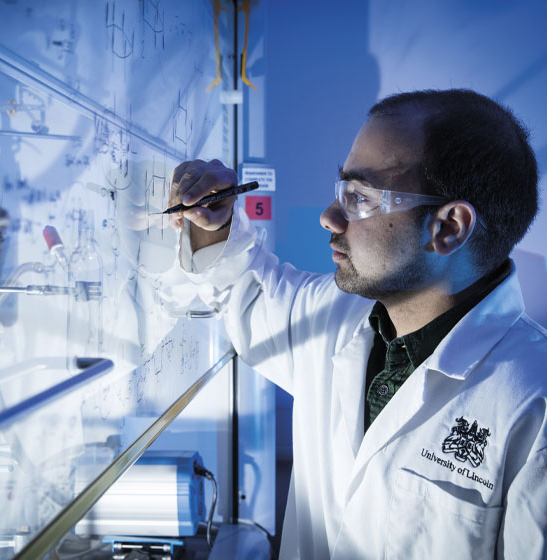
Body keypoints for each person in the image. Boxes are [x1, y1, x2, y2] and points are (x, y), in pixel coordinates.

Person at [168, 89, 547, 559]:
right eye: (340, 189)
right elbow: (242, 288)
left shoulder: (534, 403)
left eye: (360, 197)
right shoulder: (333, 315)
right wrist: (213, 216)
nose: (329, 217)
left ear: (448, 227)